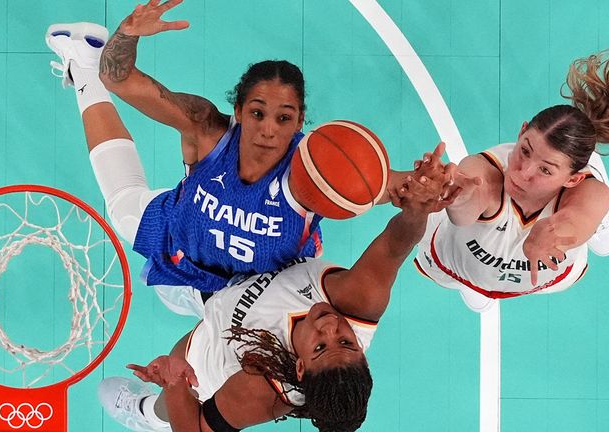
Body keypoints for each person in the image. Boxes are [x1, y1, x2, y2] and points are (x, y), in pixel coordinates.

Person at [45, 2, 422, 316]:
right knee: (124, 206)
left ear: (300, 121)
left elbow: (385, 184)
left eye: (284, 118)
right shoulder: (207, 130)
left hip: (256, 291)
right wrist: (127, 33)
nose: (269, 130)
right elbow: (121, 79)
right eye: (258, 113)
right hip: (179, 254)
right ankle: (84, 63)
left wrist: (426, 185)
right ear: (239, 110)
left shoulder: (313, 167)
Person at [95, 148, 456, 431]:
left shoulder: (260, 392)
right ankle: (183, 285)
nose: (331, 328)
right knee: (162, 250)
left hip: (212, 348)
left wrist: (174, 385)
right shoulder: (358, 300)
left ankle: (147, 415)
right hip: (234, 281)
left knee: (172, 402)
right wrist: (418, 208)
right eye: (346, 342)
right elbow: (396, 244)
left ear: (299, 368)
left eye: (320, 346)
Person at [413, 41, 609, 312]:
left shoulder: (587, 192)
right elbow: (465, 210)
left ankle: (593, 172)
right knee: (476, 291)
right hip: (453, 265)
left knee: (604, 243)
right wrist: (455, 195)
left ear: (573, 179)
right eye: (524, 150)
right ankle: (572, 156)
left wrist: (554, 235)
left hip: (553, 267)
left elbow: (575, 221)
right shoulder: (482, 172)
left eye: (544, 169)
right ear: (521, 132)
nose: (523, 173)